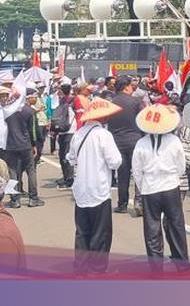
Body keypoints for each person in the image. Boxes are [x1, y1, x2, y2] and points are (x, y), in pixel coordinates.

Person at [131, 103, 190, 272]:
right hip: (171, 185)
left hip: (150, 188)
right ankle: (182, 263)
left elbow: (136, 170)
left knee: (152, 228)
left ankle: (156, 267)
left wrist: (143, 187)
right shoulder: (174, 140)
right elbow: (181, 166)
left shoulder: (141, 143)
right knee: (176, 225)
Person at [68, 97, 124, 274]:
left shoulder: (78, 134)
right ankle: (97, 269)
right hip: (99, 189)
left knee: (82, 232)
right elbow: (115, 162)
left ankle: (80, 267)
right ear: (104, 118)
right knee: (101, 233)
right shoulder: (104, 135)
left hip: (81, 190)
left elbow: (71, 158)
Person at [107, 76, 144, 214]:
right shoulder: (136, 102)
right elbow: (143, 121)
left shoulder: (111, 103)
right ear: (126, 87)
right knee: (139, 172)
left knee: (122, 174)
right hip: (135, 139)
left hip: (117, 141)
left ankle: (122, 204)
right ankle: (139, 202)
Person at [2, 89, 44, 209]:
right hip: (25, 144)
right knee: (31, 170)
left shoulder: (7, 110)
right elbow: (33, 131)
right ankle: (33, 198)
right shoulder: (29, 111)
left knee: (13, 171)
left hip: (10, 144)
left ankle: (15, 200)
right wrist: (34, 144)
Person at [53, 82, 76, 189]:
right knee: (62, 156)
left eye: (60, 90)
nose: (58, 93)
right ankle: (66, 177)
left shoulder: (72, 101)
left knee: (66, 156)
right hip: (63, 131)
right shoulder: (63, 101)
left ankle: (69, 179)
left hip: (69, 131)